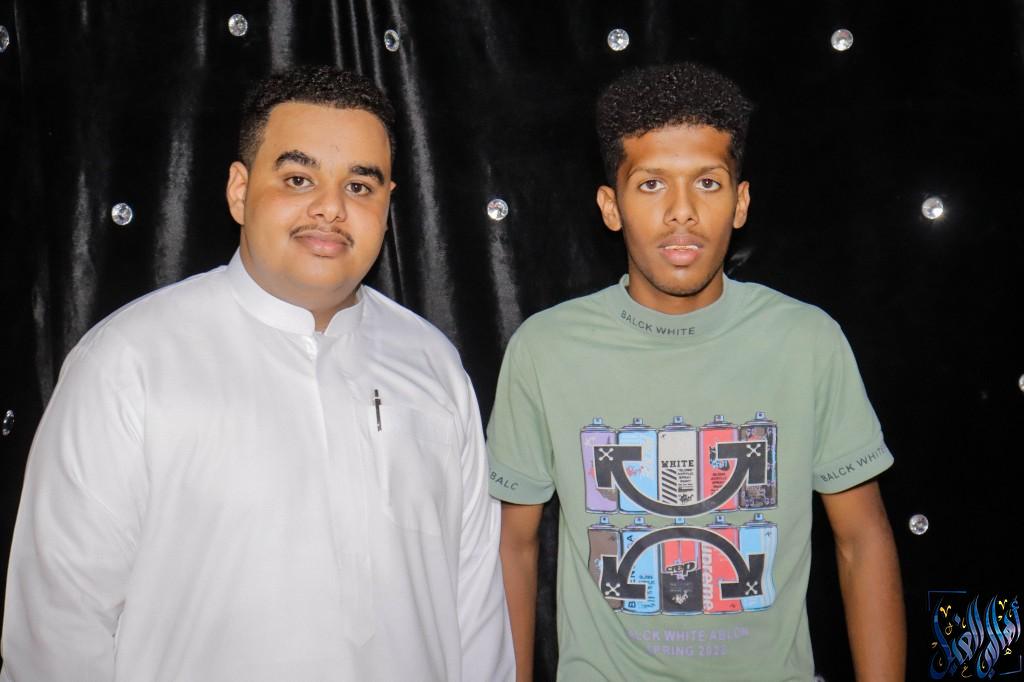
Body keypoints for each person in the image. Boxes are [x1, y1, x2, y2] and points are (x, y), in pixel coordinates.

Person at [1, 65, 513, 681]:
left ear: (387, 206)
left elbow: (476, 609)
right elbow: (57, 626)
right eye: (299, 179)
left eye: (359, 186)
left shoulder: (431, 364)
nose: (330, 208)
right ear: (239, 191)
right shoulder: (130, 361)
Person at [487, 62, 905, 681]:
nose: (681, 212)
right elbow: (513, 548)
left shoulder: (807, 341)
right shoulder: (544, 350)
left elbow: (862, 541)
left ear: (740, 202)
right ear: (611, 206)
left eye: (707, 183)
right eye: (651, 184)